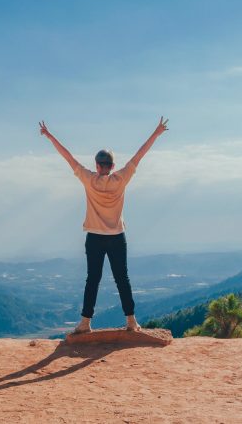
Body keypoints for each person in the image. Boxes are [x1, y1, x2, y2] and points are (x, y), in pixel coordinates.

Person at [39, 117, 170, 333]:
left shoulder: (88, 179)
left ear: (97, 166)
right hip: (117, 236)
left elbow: (68, 157)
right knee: (122, 279)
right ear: (113, 166)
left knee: (93, 280)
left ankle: (85, 323)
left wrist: (50, 136)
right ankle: (131, 321)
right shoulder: (121, 179)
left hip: (94, 237)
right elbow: (140, 155)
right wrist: (156, 133)